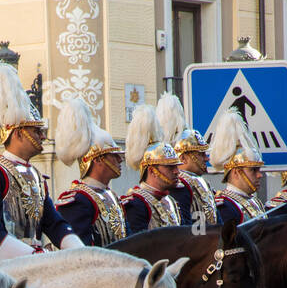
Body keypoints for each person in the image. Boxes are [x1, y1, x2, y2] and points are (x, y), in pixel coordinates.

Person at [0, 62, 82, 261]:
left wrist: (79, 251)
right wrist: (36, 257)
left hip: (34, 261)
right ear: (19, 134)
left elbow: (54, 223)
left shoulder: (36, 177)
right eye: (36, 131)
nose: (42, 137)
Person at [54, 96, 127, 247]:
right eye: (113, 156)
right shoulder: (77, 201)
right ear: (98, 160)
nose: (120, 160)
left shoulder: (111, 196)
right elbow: (81, 252)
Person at [156, 92, 218, 228]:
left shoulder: (200, 182)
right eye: (200, 154)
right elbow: (190, 229)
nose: (206, 158)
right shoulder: (179, 186)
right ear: (182, 158)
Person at [119, 104, 181, 234]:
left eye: (176, 166)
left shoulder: (170, 201)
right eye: (170, 167)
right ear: (152, 171)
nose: (177, 171)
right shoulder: (135, 204)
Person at [209, 108, 268, 228]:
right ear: (236, 172)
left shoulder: (256, 202)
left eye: (258, 170)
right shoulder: (225, 206)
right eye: (253, 170)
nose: (259, 175)